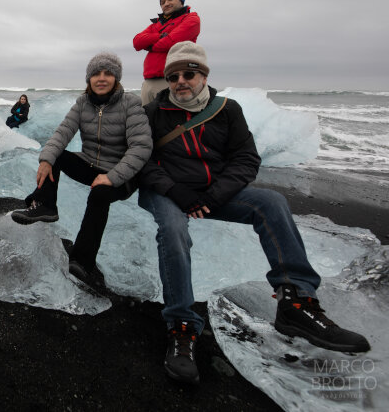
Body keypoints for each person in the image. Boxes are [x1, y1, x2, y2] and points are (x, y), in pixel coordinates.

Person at [137, 41, 370, 385]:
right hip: (169, 193)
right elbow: (141, 159)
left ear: (204, 75)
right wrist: (176, 191)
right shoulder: (153, 113)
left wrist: (215, 196)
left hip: (214, 193)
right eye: (174, 76)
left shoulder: (227, 110)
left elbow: (246, 159)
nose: (181, 81)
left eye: (190, 73)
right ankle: (181, 326)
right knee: (172, 228)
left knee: (271, 203)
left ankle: (296, 302)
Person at [10, 53, 152, 283]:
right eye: (96, 73)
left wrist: (112, 177)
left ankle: (83, 261)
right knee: (55, 156)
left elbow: (141, 148)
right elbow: (63, 131)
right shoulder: (83, 103)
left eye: (108, 73)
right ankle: (46, 205)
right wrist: (46, 159)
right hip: (91, 164)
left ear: (117, 78)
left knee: (100, 194)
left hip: (122, 174)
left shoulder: (131, 104)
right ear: (89, 79)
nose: (102, 78)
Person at [133, 0, 200, 105]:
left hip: (173, 81)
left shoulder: (191, 19)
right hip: (148, 83)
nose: (166, 4)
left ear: (181, 0)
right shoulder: (157, 24)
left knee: (169, 122)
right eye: (163, 2)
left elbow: (171, 42)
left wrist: (150, 46)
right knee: (146, 121)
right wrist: (159, 36)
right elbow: (137, 42)